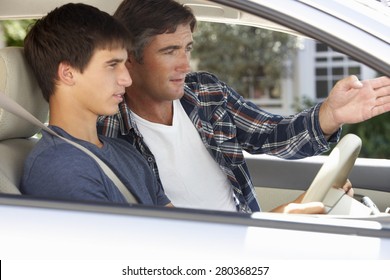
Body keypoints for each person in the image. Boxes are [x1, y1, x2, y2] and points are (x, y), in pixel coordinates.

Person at [98, 0, 390, 213]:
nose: (185, 65)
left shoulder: (205, 92)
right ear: (130, 58)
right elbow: (157, 235)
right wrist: (285, 215)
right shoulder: (108, 130)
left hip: (245, 238)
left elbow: (271, 134)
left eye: (187, 48)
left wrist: (331, 114)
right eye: (169, 51)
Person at [20, 3, 171, 207]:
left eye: (124, 64)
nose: (127, 79)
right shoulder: (61, 167)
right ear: (68, 73)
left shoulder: (126, 152)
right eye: (112, 65)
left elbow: (173, 224)